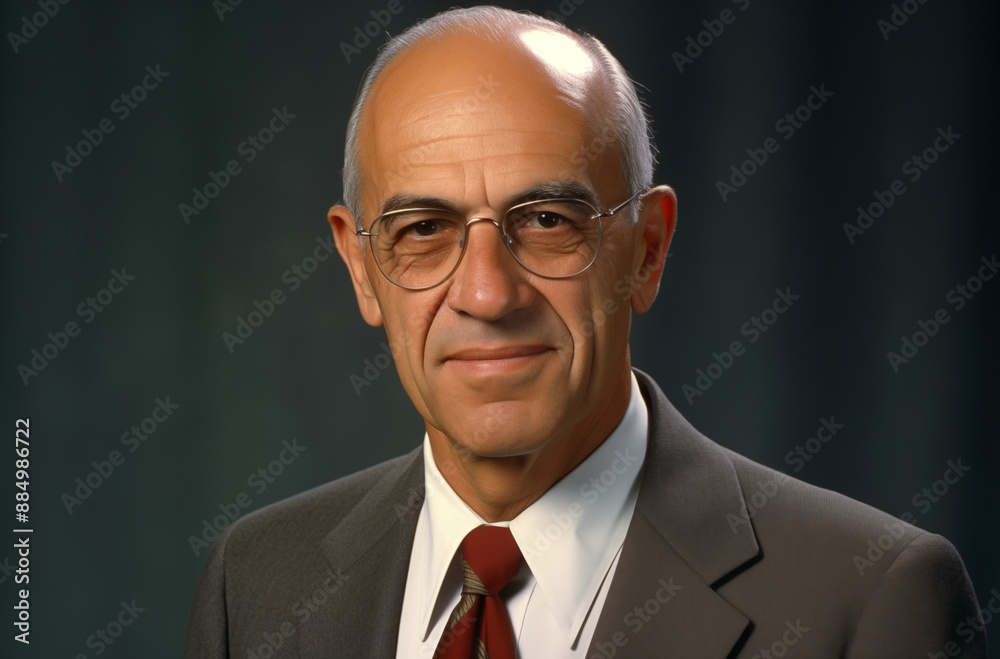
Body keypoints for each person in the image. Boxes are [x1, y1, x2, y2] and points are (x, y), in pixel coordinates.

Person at [185, 6, 986, 658]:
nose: (488, 292)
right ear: (361, 267)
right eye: (424, 227)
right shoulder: (255, 586)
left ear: (647, 249)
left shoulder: (869, 600)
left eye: (546, 220)